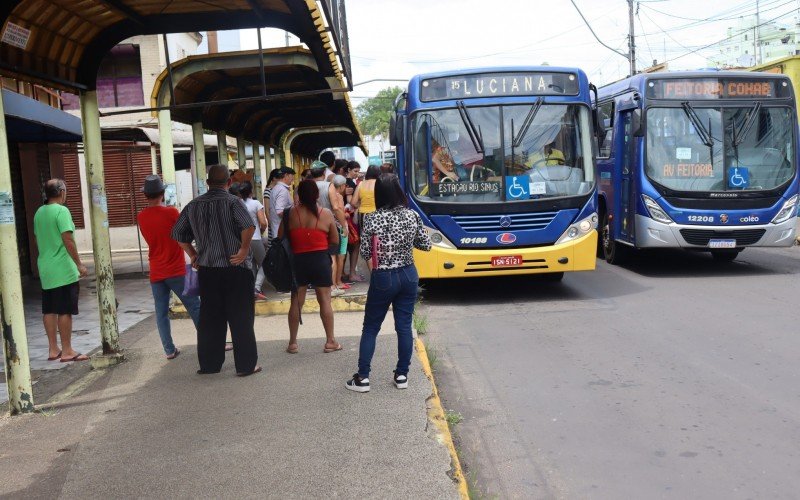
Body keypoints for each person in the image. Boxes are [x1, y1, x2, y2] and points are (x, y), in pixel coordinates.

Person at [172, 164, 261, 377]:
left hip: (208, 271)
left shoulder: (194, 205)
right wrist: (243, 249)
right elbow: (248, 226)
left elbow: (177, 233)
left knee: (210, 318)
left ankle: (210, 365)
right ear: (228, 183)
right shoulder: (233, 202)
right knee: (241, 317)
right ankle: (246, 366)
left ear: (207, 182)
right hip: (235, 267)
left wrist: (193, 254)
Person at [346, 174, 432, 393]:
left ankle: (363, 378)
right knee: (404, 327)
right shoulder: (412, 215)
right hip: (408, 275)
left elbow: (365, 251)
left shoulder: (373, 218)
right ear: (399, 192)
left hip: (383, 277)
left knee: (371, 327)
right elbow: (425, 245)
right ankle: (402, 375)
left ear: (379, 194)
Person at [137, 175, 201, 359]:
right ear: (162, 193)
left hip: (156, 271)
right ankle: (210, 341)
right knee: (195, 306)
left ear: (145, 195)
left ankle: (169, 350)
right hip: (176, 269)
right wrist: (193, 254)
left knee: (161, 312)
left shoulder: (141, 216)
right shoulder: (172, 213)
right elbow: (184, 235)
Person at [279, 179, 342, 354]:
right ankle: (330, 341)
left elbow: (280, 236)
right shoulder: (326, 213)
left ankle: (292, 343)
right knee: (325, 300)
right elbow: (335, 240)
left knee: (296, 302)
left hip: (298, 260)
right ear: (316, 195)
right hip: (320, 260)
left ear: (298, 195)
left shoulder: (289, 213)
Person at [34, 179, 89, 363]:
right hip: (62, 270)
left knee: (49, 309)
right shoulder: (61, 211)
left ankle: (53, 349)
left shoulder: (39, 212)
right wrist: (79, 264)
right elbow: (68, 240)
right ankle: (67, 351)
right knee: (65, 309)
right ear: (61, 192)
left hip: (46, 268)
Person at [238, 181, 268, 300]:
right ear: (251, 191)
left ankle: (249, 288)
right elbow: (263, 222)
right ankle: (256, 287)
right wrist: (260, 231)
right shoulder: (255, 203)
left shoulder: (237, 203)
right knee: (265, 263)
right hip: (254, 237)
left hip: (242, 239)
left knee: (251, 265)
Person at [331, 175, 350, 292]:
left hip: (332, 228)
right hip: (340, 228)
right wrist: (344, 225)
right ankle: (338, 281)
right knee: (341, 256)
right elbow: (340, 212)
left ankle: (335, 282)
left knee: (334, 256)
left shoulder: (330, 195)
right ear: (342, 186)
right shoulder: (338, 196)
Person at [268, 167, 295, 241]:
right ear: (286, 175)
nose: (292, 180)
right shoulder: (282, 190)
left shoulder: (276, 188)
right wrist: (295, 216)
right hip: (281, 233)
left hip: (277, 231)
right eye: (292, 177)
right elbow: (280, 211)